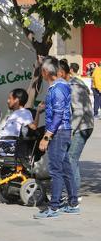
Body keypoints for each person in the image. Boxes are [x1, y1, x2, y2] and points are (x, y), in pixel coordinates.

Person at [34, 57, 79, 219]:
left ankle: (54, 207)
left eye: (41, 70)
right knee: (65, 168)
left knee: (56, 170)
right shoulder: (60, 86)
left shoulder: (57, 89)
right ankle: (73, 203)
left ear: (46, 72)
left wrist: (46, 136)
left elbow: (59, 115)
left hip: (58, 133)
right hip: (63, 131)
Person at [59, 60, 93, 197]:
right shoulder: (72, 83)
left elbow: (78, 111)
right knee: (70, 158)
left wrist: (70, 131)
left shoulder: (74, 87)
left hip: (81, 127)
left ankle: (72, 195)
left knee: (71, 158)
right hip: (80, 125)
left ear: (62, 73)